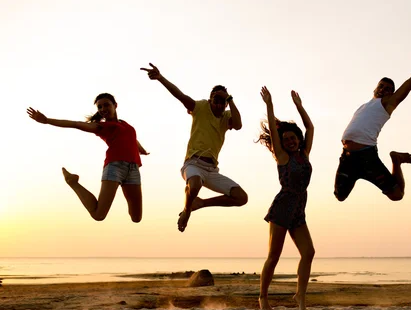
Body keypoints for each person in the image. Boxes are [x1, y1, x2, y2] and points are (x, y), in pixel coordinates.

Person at [140, 63, 248, 232]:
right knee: (195, 184)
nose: (219, 105)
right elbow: (180, 95)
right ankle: (187, 210)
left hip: (211, 170)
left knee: (241, 198)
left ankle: (201, 203)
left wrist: (230, 99)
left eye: (223, 102)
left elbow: (239, 125)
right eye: (216, 100)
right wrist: (160, 78)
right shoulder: (200, 107)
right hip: (192, 164)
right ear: (210, 99)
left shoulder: (227, 116)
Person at [334, 41, 411, 202]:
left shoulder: (387, 103)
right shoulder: (364, 106)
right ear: (374, 89)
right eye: (381, 86)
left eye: (388, 89)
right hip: (347, 157)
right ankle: (358, 174)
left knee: (397, 195)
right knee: (340, 196)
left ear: (392, 94)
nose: (383, 89)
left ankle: (396, 160)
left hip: (367, 157)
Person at [27, 93, 148, 222]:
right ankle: (72, 182)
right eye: (99, 107)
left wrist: (141, 150)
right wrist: (47, 120)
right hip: (115, 167)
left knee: (136, 218)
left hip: (133, 169)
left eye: (106, 105)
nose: (102, 109)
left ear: (115, 105)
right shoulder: (101, 126)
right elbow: (76, 124)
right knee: (98, 215)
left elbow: (132, 137)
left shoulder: (124, 124)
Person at [257, 87, 315, 310]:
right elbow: (272, 128)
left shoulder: (305, 154)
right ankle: (263, 297)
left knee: (308, 253)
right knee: (274, 256)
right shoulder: (281, 157)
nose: (290, 141)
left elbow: (310, 127)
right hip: (282, 208)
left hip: (299, 210)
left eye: (293, 138)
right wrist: (269, 105)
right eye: (286, 139)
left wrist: (299, 107)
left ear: (298, 139)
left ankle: (301, 297)